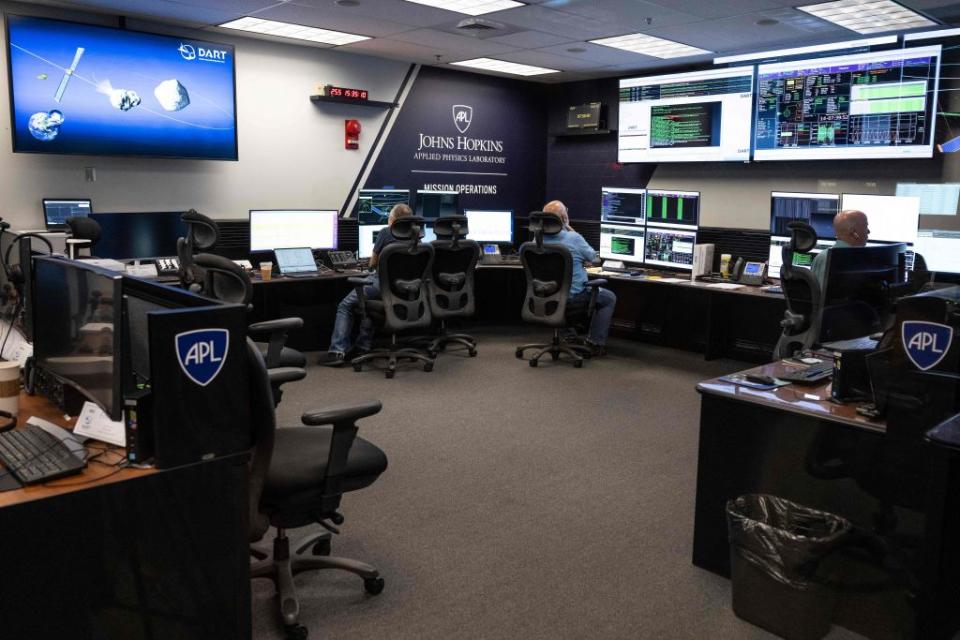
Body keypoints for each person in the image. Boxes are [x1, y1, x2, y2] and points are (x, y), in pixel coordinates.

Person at [320, 203, 413, 366]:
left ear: (394, 220)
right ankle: (362, 346)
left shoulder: (386, 232)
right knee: (366, 304)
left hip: (381, 285)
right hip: (405, 289)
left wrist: (368, 266)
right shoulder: (417, 235)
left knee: (345, 305)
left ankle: (337, 351)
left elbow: (373, 263)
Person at [540, 200, 617, 356]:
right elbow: (594, 260)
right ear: (564, 217)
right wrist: (570, 230)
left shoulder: (536, 241)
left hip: (545, 299)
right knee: (609, 298)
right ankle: (595, 343)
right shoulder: (573, 238)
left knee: (562, 292)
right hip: (574, 300)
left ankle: (568, 337)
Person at [810, 209, 869, 286]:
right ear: (854, 232)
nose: (868, 231)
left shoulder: (823, 256)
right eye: (865, 226)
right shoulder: (857, 260)